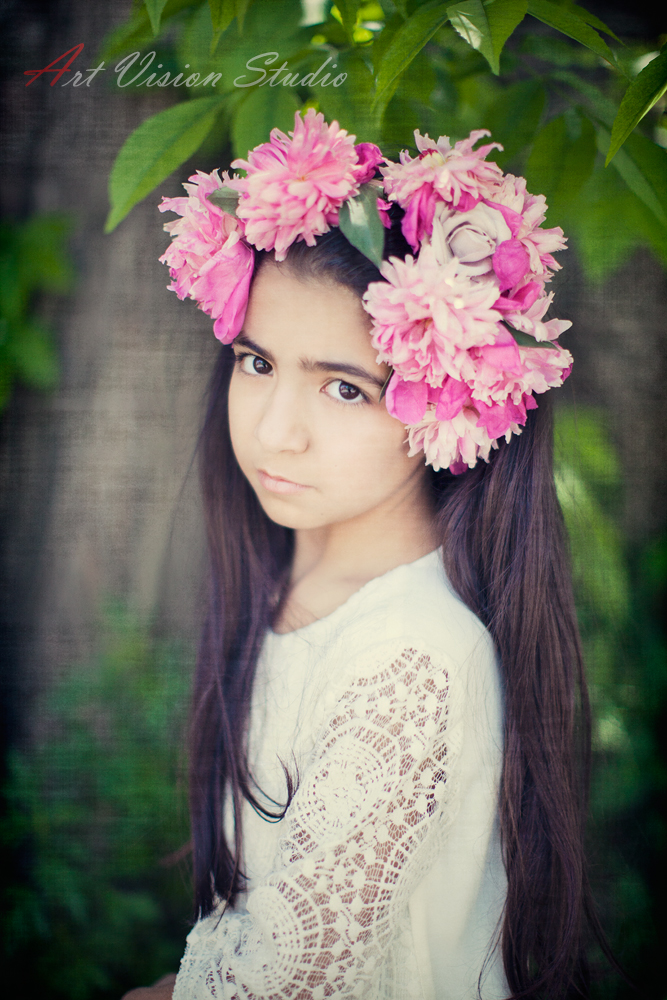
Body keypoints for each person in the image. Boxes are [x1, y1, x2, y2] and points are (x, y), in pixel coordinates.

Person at [123, 110, 605, 999]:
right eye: (256, 363)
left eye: (345, 388)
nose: (276, 432)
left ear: (447, 402)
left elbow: (290, 977)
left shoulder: (409, 654)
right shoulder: (298, 579)